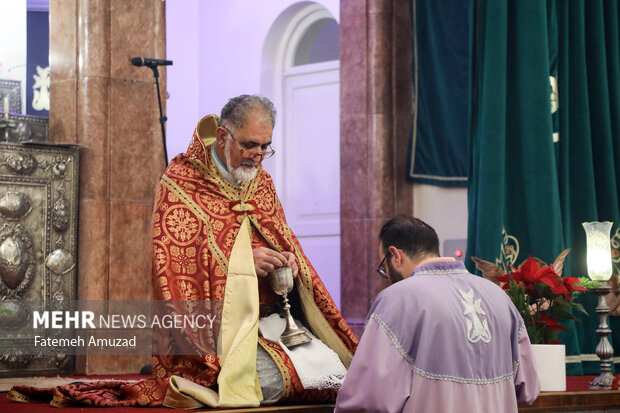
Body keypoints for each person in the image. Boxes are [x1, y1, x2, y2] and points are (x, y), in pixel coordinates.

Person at [7, 95, 357, 408]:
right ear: (223, 136)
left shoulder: (260, 179)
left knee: (338, 374)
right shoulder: (182, 180)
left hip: (273, 319)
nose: (259, 156)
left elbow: (279, 234)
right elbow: (174, 266)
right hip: (216, 332)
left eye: (266, 147)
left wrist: (288, 260)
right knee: (265, 383)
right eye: (251, 145)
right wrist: (243, 264)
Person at [335, 214, 540, 413]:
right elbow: (528, 389)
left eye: (383, 266)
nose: (386, 275)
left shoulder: (398, 299)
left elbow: (373, 397)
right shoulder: (498, 296)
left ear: (395, 255)